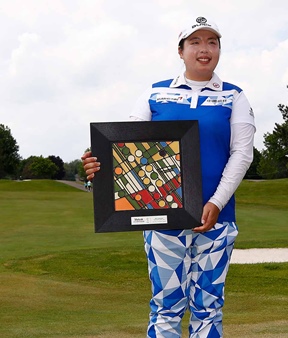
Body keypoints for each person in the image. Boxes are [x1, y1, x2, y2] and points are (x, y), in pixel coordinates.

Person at [82, 16, 255, 338]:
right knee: (166, 305)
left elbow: (242, 154)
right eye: (195, 42)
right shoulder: (155, 94)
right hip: (163, 218)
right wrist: (98, 166)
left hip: (217, 218)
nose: (204, 49)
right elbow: (127, 148)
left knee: (209, 306)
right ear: (181, 50)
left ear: (219, 49)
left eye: (212, 42)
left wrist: (216, 202)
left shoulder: (235, 96)